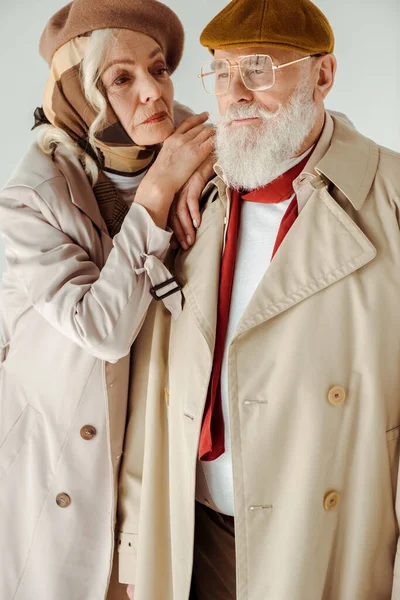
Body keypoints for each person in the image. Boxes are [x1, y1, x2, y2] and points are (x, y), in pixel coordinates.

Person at [117, 0, 400, 599]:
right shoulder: (197, 198)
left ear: (323, 75)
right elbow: (154, 388)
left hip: (325, 542)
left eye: (260, 69)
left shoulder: (392, 199)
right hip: (194, 540)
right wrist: (134, 553)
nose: (235, 93)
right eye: (220, 72)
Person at [0, 0, 215, 598]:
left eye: (160, 69)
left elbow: (284, 134)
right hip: (56, 466)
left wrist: (208, 157)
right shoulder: (29, 198)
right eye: (121, 78)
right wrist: (159, 192)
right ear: (77, 94)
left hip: (156, 461)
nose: (152, 91)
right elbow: (102, 329)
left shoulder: (199, 147)